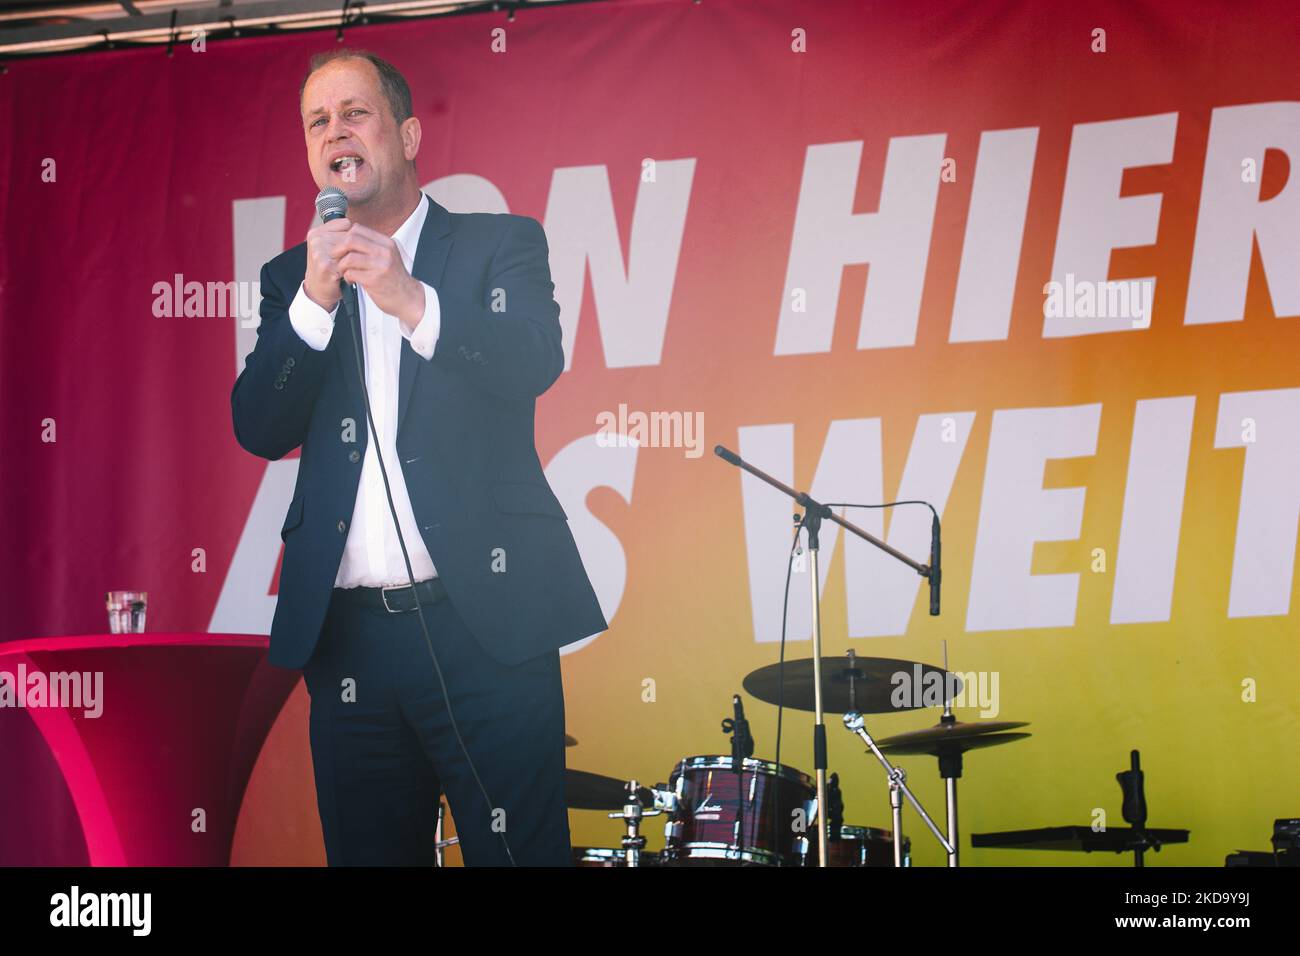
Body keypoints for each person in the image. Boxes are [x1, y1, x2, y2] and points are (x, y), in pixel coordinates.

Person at [230, 48, 606, 866]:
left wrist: (410, 299)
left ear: (404, 134)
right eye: (317, 121)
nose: (336, 132)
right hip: (352, 645)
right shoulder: (291, 281)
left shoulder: (497, 244)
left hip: (487, 627)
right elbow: (258, 425)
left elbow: (531, 359)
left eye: (354, 112)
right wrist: (315, 304)